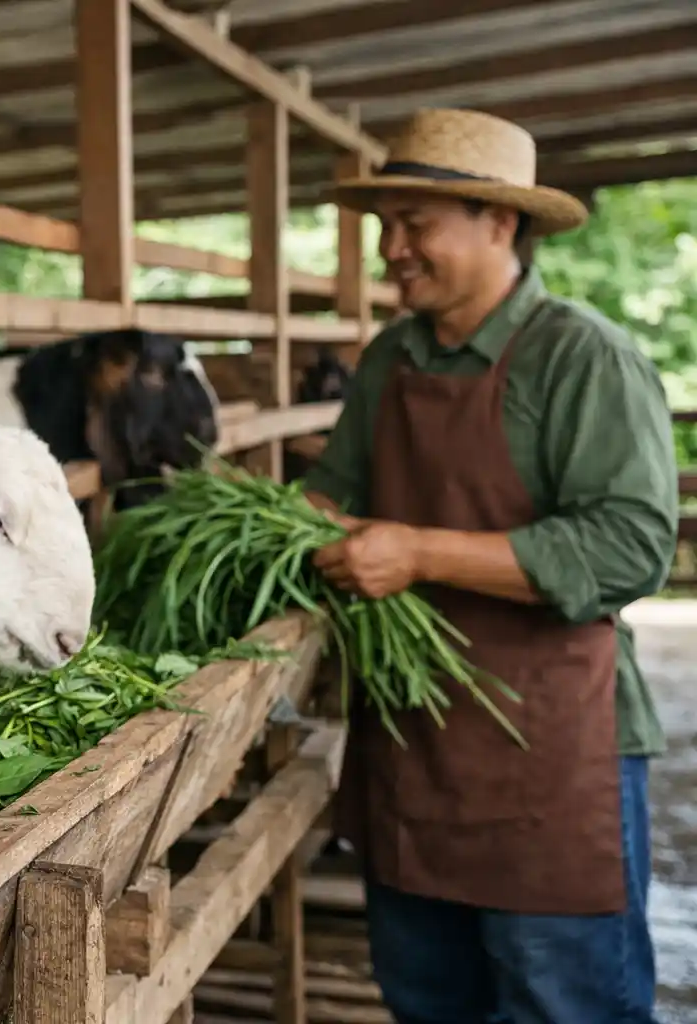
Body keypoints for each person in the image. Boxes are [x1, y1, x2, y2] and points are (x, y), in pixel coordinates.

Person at [302, 108, 680, 1024]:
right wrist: (290, 525)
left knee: (567, 1006)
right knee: (428, 1001)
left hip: (547, 748)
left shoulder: (580, 354)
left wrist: (419, 550)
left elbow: (634, 543)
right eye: (384, 224)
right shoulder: (390, 357)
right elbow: (333, 491)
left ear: (499, 224)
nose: (391, 247)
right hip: (413, 742)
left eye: (415, 223)